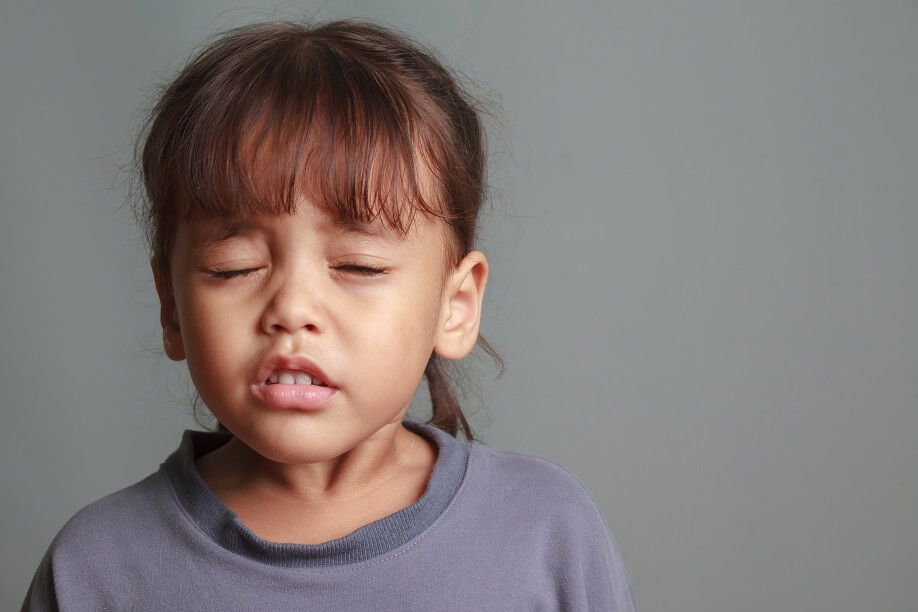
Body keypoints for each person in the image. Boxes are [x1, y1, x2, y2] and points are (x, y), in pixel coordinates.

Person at [22, 19, 635, 611]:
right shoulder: (96, 567)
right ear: (171, 307)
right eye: (234, 267)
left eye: (359, 266)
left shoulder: (544, 531)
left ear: (455, 306)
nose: (292, 310)